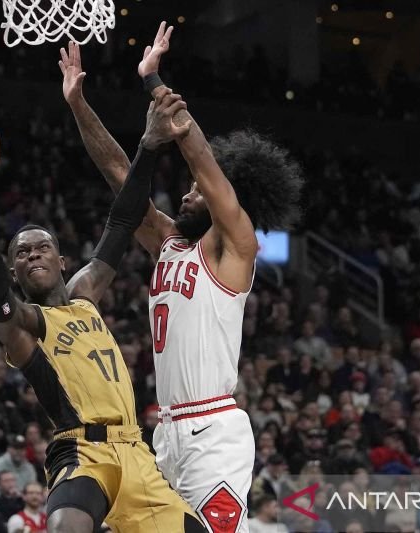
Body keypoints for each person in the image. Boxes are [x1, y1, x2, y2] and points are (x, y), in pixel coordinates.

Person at [0, 87, 203, 533]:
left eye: (42, 247)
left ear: (63, 261)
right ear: (14, 271)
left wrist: (149, 146)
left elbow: (123, 220)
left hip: (137, 454)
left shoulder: (86, 294)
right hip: (83, 453)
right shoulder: (24, 328)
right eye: (21, 253)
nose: (33, 254)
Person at [60, 21, 303, 532]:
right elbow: (121, 177)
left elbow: (203, 159)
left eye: (197, 189)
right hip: (166, 431)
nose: (188, 192)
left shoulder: (235, 245)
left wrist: (154, 82)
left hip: (213, 430)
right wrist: (79, 106)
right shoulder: (170, 242)